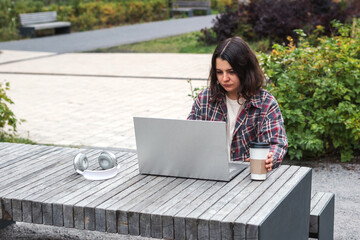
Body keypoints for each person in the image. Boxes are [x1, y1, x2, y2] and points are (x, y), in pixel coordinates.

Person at [188, 36, 288, 171]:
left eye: (231, 72)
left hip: (248, 178)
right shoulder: (205, 99)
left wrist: (270, 157)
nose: (224, 78)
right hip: (210, 174)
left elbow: (277, 143)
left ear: (246, 70)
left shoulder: (266, 103)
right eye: (219, 72)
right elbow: (189, 137)